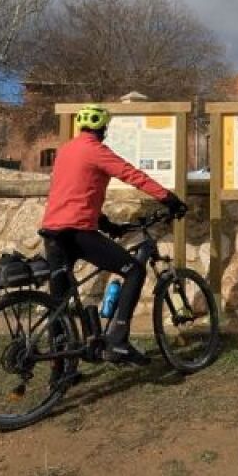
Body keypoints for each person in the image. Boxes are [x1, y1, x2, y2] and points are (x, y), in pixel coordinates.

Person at [40, 104, 187, 365]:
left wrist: (105, 223)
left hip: (53, 232)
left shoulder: (66, 151)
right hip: (77, 232)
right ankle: (118, 340)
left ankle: (60, 372)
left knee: (59, 302)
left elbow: (74, 191)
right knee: (134, 270)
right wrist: (168, 198)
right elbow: (131, 174)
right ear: (102, 129)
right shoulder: (96, 150)